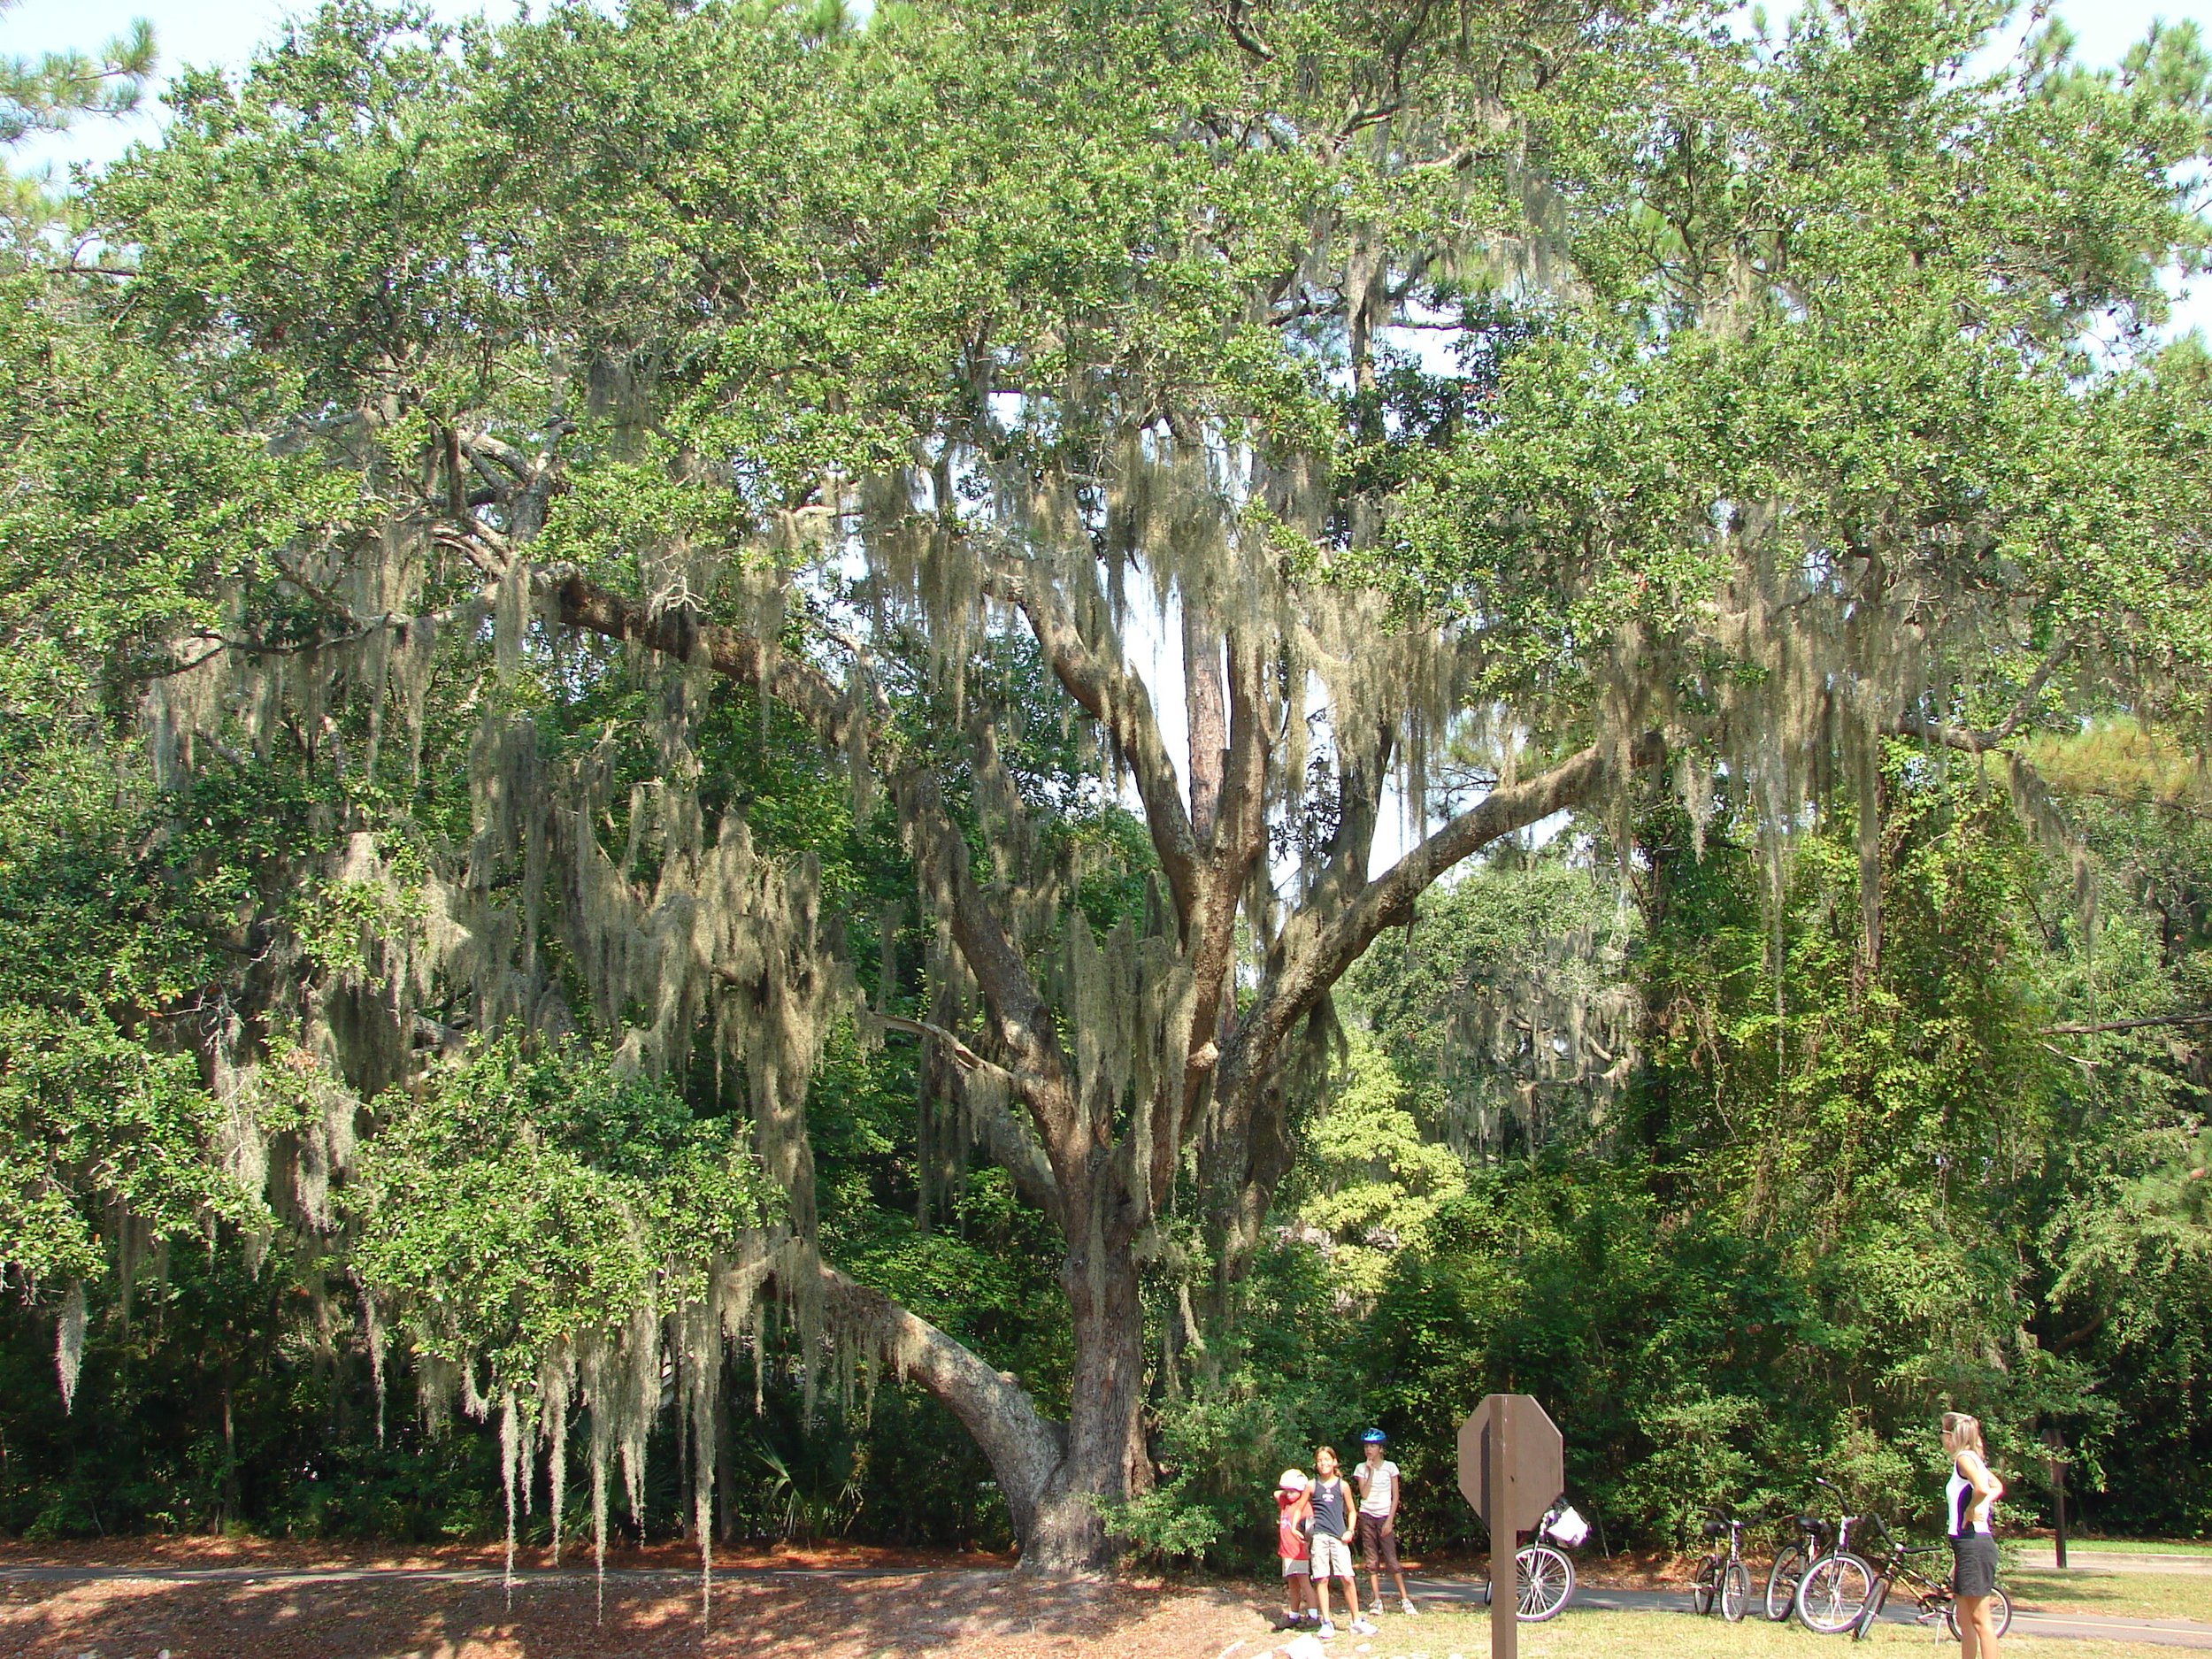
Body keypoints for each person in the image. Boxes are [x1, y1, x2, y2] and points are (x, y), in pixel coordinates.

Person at [1943, 1411, 2004, 1659]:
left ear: (1951, 1435)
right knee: (1964, 1620)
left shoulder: (1964, 1460)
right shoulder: (1974, 1459)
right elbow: (1997, 1487)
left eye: (1943, 1432)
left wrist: (1971, 1509)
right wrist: (1980, 1504)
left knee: (1980, 1620)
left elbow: (1981, 1488)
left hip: (1974, 1544)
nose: (1941, 1438)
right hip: (1965, 1546)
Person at [1308, 1446, 1377, 1640]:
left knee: (1347, 1577)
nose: (1323, 1463)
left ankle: (1356, 1621)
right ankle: (1326, 1622)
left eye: (1327, 1460)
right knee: (1322, 1578)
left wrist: (1350, 1530)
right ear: (1316, 1463)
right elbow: (1300, 1506)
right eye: (1320, 1460)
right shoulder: (1312, 1485)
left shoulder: (1343, 1485)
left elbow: (1352, 1511)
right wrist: (1297, 1528)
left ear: (1334, 1462)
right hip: (1320, 1536)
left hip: (1339, 1536)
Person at [1354, 1428, 1417, 1615]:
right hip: (1367, 1515)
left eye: (1372, 1446)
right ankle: (1377, 1600)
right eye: (1366, 1446)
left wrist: (1390, 1520)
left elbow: (1395, 1495)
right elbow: (1364, 1494)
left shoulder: (1390, 1467)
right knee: (1371, 1560)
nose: (1369, 1450)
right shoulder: (1360, 1468)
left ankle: (1405, 1599)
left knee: (1391, 1559)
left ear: (1381, 1448)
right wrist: (1370, 1472)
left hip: (1384, 1516)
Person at [1275, 1469, 1317, 1627]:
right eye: (1287, 1491)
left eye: (1293, 1491)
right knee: (1292, 1584)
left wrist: (1307, 1546)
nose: (1289, 1494)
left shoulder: (1304, 1506)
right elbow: (1276, 1493)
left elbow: (1309, 1531)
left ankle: (1313, 1615)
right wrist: (1287, 1490)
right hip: (1287, 1551)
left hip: (1299, 1551)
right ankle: (1294, 1615)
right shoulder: (1286, 1503)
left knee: (1304, 1582)